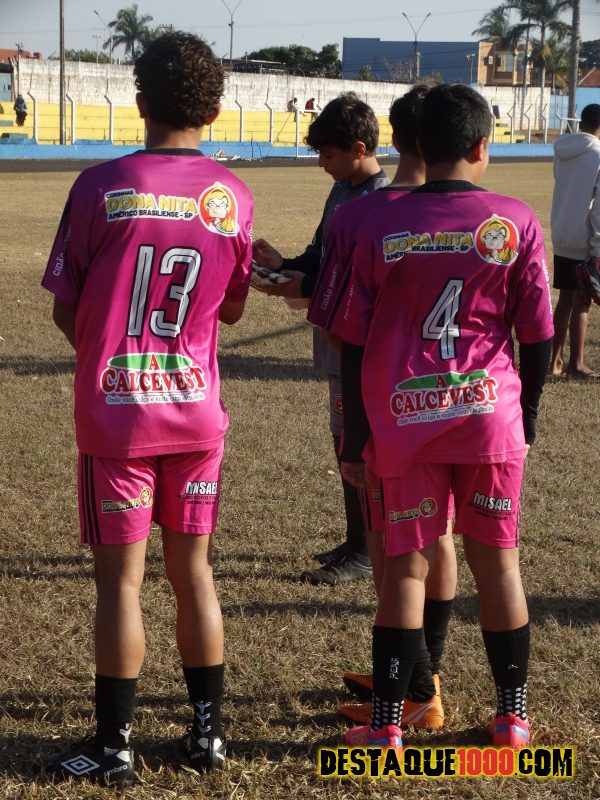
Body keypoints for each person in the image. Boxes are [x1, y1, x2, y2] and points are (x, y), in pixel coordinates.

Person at [41, 32, 254, 786]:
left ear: (138, 103)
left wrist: (111, 356)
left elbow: (66, 308)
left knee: (121, 586)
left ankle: (115, 747)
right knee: (194, 573)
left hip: (120, 417)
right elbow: (229, 309)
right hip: (196, 413)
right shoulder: (232, 196)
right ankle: (207, 737)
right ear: (216, 110)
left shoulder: (100, 186)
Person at [327, 83, 553, 754]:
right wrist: (527, 417)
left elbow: (351, 342)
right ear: (483, 146)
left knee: (405, 569)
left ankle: (387, 726)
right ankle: (512, 721)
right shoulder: (513, 220)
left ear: (419, 146)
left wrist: (356, 437)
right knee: (499, 566)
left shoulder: (375, 221)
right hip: (489, 419)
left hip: (404, 422)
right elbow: (538, 338)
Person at [308, 84, 456, 731]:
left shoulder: (367, 216)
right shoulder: (477, 214)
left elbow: (344, 328)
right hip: (453, 401)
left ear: (395, 138)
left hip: (384, 404)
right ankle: (425, 674)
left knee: (389, 545)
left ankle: (416, 686)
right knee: (437, 536)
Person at [253, 92, 390, 585]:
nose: (321, 164)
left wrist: (305, 284)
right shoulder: (342, 191)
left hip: (356, 338)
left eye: (327, 155)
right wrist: (284, 265)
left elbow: (358, 278)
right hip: (333, 332)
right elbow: (322, 255)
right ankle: (356, 540)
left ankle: (366, 551)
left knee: (357, 440)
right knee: (343, 437)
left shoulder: (380, 201)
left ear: (358, 149)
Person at [549, 103, 600, 379]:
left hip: (561, 232)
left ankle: (554, 360)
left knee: (565, 299)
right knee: (582, 301)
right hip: (583, 236)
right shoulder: (598, 153)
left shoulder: (562, 149)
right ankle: (576, 364)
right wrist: (598, 246)